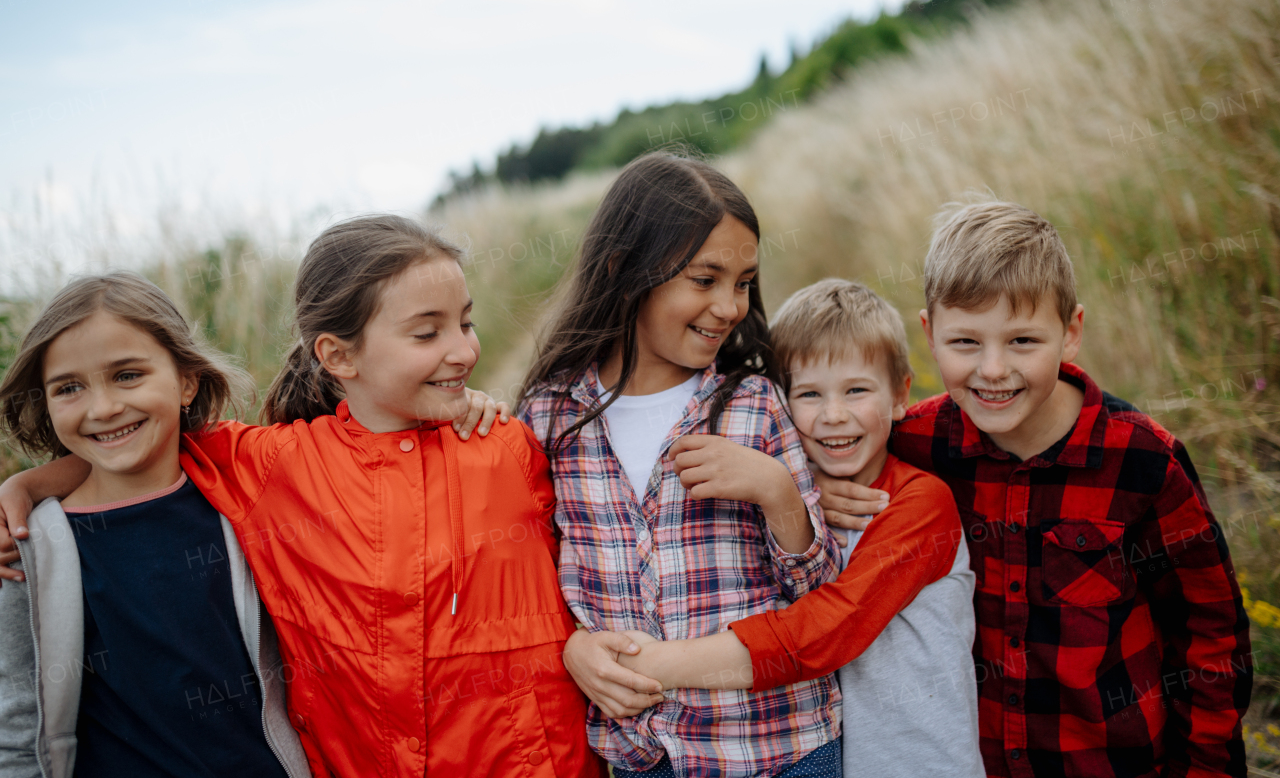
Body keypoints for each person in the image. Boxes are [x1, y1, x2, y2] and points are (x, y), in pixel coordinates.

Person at [0, 216, 604, 777]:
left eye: (465, 324)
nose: (464, 350)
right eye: (428, 332)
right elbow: (145, 445)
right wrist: (25, 485)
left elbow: (585, 575)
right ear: (338, 354)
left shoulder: (507, 446)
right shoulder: (273, 467)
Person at [808, 203, 1253, 776]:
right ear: (930, 333)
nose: (993, 369)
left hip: (1112, 763)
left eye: (1022, 340)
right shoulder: (912, 444)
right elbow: (824, 439)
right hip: (974, 760)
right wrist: (816, 481)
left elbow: (1209, 633)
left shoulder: (1142, 460)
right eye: (965, 342)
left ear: (1070, 333)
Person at [518, 152, 843, 778]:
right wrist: (573, 645)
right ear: (623, 271)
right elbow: (534, 581)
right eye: (705, 279)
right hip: (645, 758)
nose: (730, 306)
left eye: (744, 282)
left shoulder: (752, 404)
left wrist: (776, 492)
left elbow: (818, 595)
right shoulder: (549, 419)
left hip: (779, 747)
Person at [596, 279, 985, 778]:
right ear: (779, 403)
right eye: (808, 394)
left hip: (925, 764)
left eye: (857, 390)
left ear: (900, 394)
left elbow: (827, 631)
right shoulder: (797, 494)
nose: (834, 415)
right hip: (829, 756)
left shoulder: (918, 503)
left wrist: (651, 666)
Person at [0, 272, 310, 778]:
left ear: (186, 380)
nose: (103, 408)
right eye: (69, 388)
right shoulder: (32, 547)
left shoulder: (242, 496)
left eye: (127, 375)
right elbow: (17, 731)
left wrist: (465, 412)